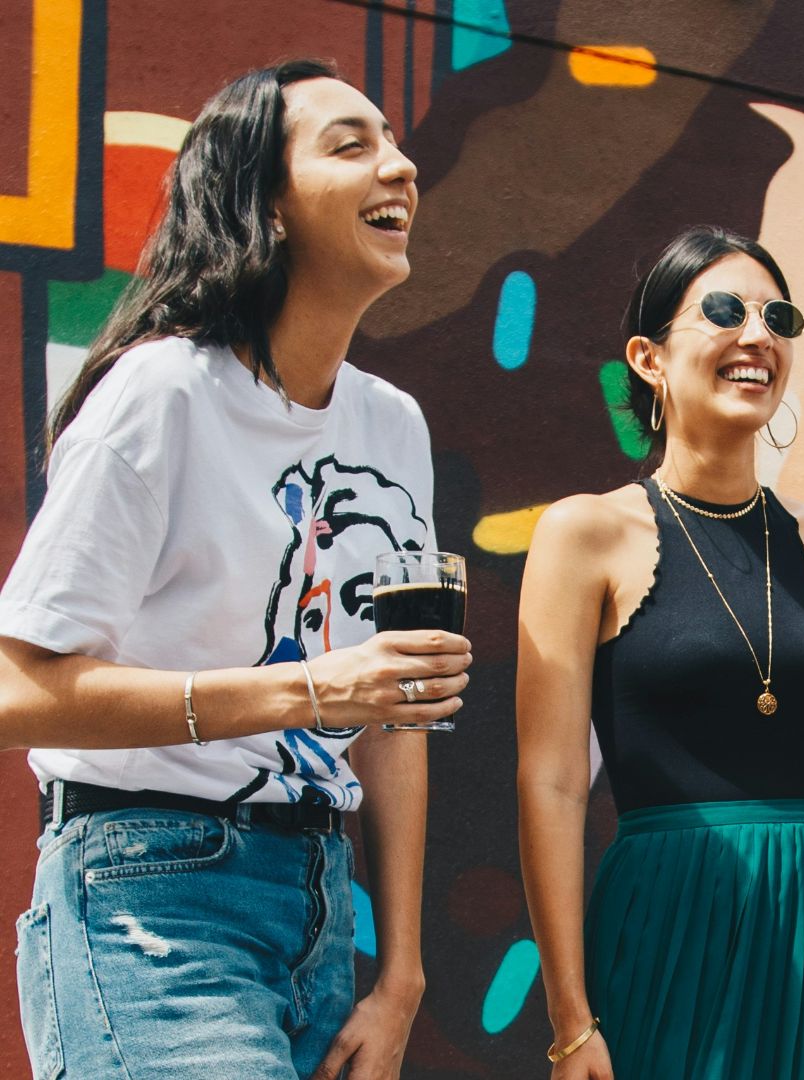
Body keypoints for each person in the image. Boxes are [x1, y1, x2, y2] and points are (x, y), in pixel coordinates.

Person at [0, 60, 468, 1080]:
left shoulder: (392, 426)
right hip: (150, 892)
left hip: (319, 906)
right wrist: (309, 689)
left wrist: (402, 978)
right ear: (266, 203)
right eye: (352, 146)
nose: (401, 165)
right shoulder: (161, 395)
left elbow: (393, 720)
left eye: (394, 143)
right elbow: (16, 691)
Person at [516, 225, 804, 1079]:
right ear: (648, 357)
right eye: (723, 310)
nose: (758, 336)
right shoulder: (584, 533)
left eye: (776, 316)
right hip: (671, 916)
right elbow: (553, 783)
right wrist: (570, 1020)